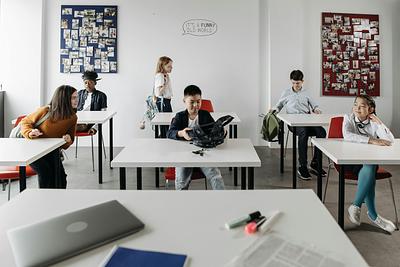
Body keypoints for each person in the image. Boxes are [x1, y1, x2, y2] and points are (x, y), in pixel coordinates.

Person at [344, 95, 396, 232]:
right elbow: (347, 135)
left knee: (370, 165)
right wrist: (372, 140)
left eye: (362, 106)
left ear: (370, 109)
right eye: (355, 104)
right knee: (371, 169)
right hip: (349, 160)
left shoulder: (374, 122)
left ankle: (356, 206)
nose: (357, 108)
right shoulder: (348, 118)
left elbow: (390, 140)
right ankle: (373, 215)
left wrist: (379, 123)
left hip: (367, 161)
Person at [167, 85, 225, 190]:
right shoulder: (180, 116)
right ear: (184, 101)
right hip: (183, 155)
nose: (195, 105)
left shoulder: (205, 115)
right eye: (192, 102)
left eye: (198, 101)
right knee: (181, 180)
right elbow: (170, 132)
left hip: (204, 152)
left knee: (216, 176)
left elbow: (213, 129)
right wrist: (181, 133)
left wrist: (220, 131)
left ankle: (223, 203)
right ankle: (181, 204)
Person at [272, 70, 327, 180]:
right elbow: (279, 106)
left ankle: (315, 163)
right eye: (293, 83)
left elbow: (314, 106)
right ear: (291, 82)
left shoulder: (307, 92)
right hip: (293, 124)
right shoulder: (286, 92)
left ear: (302, 81)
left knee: (321, 132)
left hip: (307, 121)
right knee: (303, 132)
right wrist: (274, 110)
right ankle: (302, 166)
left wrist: (316, 109)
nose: (295, 85)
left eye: (298, 83)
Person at [20, 85, 78, 189]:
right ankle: (45, 202)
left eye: (77, 97)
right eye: (73, 98)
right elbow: (25, 122)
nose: (77, 100)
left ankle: (58, 202)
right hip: (32, 149)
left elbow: (68, 142)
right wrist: (30, 132)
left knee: (61, 178)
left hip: (51, 151)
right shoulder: (46, 111)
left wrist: (68, 140)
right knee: (45, 172)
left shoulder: (72, 117)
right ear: (63, 99)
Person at [154, 56, 173, 138]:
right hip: (163, 102)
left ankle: (165, 139)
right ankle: (163, 140)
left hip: (166, 101)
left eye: (171, 66)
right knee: (164, 123)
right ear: (162, 66)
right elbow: (158, 93)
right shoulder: (160, 76)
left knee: (167, 123)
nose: (171, 68)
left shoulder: (165, 75)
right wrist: (165, 83)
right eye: (169, 66)